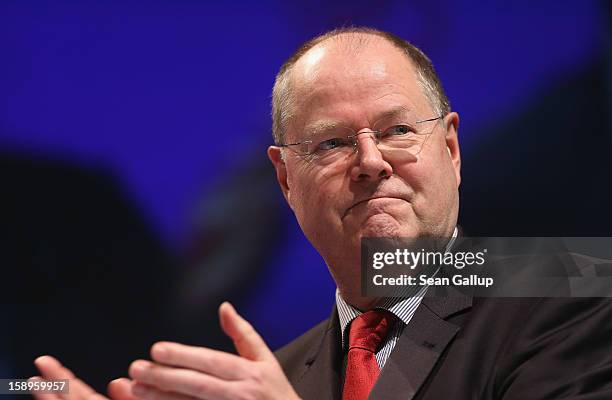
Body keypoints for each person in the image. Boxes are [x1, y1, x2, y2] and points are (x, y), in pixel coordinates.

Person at [32, 27, 612, 400]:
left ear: (452, 150)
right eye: (331, 143)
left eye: (398, 131)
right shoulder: (275, 376)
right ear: (285, 179)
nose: (370, 161)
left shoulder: (579, 293)